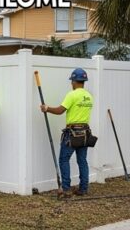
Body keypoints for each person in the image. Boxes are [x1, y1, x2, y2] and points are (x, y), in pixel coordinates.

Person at [40, 68, 94, 197]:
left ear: (74, 81)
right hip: (85, 133)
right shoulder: (88, 96)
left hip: (73, 133)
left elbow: (60, 111)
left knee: (64, 159)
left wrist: (47, 108)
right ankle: (83, 189)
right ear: (84, 81)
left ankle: (66, 189)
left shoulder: (72, 95)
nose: (71, 83)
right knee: (82, 161)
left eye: (72, 81)